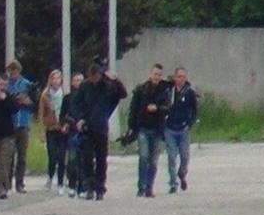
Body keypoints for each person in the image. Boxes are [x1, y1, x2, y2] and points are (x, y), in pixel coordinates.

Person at [71, 59, 128, 201]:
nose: (94, 80)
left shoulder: (107, 86)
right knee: (87, 158)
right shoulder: (84, 87)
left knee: (102, 159)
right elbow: (75, 104)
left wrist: (116, 80)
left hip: (101, 127)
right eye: (92, 77)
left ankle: (100, 186)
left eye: (96, 77)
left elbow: (122, 94)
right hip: (87, 127)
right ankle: (89, 186)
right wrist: (79, 119)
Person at [129, 62, 173, 198]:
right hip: (143, 128)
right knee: (143, 157)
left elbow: (168, 107)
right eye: (155, 74)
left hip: (157, 129)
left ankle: (149, 187)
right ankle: (141, 186)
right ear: (150, 74)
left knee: (153, 161)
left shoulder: (164, 91)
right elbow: (133, 109)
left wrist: (158, 108)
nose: (157, 77)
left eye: (159, 75)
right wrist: (131, 127)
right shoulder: (141, 90)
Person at [164, 65, 200, 192]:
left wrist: (189, 124)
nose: (181, 79)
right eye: (179, 76)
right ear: (175, 78)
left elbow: (195, 111)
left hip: (183, 129)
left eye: (183, 77)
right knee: (172, 156)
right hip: (170, 129)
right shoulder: (169, 91)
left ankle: (182, 174)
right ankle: (173, 183)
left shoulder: (189, 93)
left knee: (185, 157)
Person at [4, 59, 35, 192]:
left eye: (15, 70)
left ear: (19, 71)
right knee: (9, 155)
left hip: (23, 122)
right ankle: (7, 183)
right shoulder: (6, 85)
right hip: (10, 123)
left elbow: (34, 103)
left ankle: (20, 183)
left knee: (22, 156)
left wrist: (27, 101)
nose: (13, 73)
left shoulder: (27, 84)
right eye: (11, 71)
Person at [58, 72, 86, 197]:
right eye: (76, 80)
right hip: (73, 132)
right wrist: (66, 123)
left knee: (84, 160)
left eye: (81, 80)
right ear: (72, 82)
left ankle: (82, 186)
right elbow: (62, 116)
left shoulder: (87, 97)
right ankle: (72, 185)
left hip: (85, 132)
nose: (79, 83)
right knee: (72, 160)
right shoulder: (68, 98)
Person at [37, 67, 65, 191]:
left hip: (62, 128)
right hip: (51, 128)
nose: (55, 81)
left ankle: (60, 183)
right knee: (52, 155)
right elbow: (41, 114)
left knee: (61, 156)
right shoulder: (45, 95)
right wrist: (42, 131)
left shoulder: (64, 94)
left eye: (58, 78)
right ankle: (50, 175)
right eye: (53, 78)